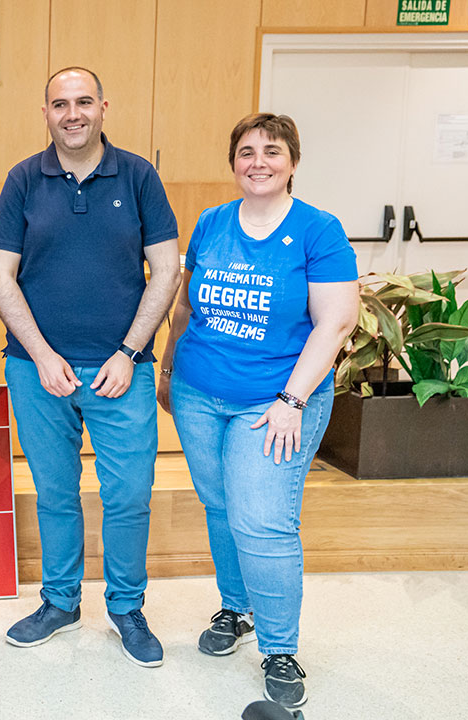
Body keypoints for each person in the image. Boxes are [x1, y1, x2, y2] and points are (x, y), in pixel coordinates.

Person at [157, 113, 358, 709]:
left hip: (275, 403)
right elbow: (187, 306)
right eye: (246, 151)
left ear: (293, 161)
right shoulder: (213, 221)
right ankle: (236, 609)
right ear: (233, 162)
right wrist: (169, 371)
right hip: (198, 392)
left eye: (272, 151)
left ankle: (280, 647)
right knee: (220, 505)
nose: (258, 161)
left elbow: (337, 321)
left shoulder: (319, 230)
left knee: (263, 521)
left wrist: (292, 400)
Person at [0, 66, 181, 667]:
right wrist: (43, 356)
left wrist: (128, 352)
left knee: (128, 495)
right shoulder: (24, 178)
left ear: (104, 106)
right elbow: (0, 274)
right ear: (44, 112)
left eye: (83, 102)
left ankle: (126, 608)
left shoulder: (139, 176)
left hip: (121, 370)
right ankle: (60, 601)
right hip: (36, 370)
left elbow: (167, 270)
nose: (72, 114)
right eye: (59, 104)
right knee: (54, 493)